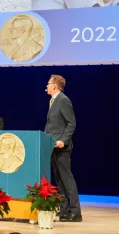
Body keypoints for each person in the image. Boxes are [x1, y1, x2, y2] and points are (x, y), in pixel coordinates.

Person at [44, 75, 82, 222]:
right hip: (52, 146)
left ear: (55, 86)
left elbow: (71, 123)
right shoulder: (53, 101)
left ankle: (75, 211)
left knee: (66, 178)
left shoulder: (63, 100)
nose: (46, 86)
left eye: (48, 84)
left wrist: (63, 140)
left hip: (62, 147)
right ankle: (64, 210)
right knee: (59, 179)